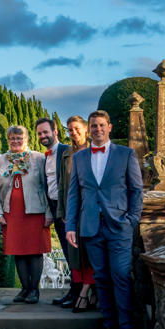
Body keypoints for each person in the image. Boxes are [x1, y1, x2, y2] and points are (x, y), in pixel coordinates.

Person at [65, 110, 145, 329]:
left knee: (120, 275)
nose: (97, 129)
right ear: (89, 129)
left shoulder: (126, 154)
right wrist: (71, 225)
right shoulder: (79, 158)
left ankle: (126, 327)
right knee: (101, 277)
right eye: (93, 126)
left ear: (109, 127)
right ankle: (109, 325)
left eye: (101, 125)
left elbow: (137, 190)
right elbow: (74, 194)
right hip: (90, 227)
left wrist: (132, 219)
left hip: (119, 225)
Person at [0, 125, 53, 303]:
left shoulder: (38, 158)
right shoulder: (2, 160)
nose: (16, 141)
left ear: (27, 140)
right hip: (12, 213)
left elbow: (47, 187)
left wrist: (50, 213)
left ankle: (34, 290)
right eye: (12, 138)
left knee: (35, 251)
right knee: (18, 251)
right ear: (8, 140)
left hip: (35, 212)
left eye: (20, 138)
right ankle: (25, 289)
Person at [59, 115, 96, 311]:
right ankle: (82, 291)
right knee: (75, 255)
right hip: (72, 210)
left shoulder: (95, 150)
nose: (74, 132)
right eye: (70, 129)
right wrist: (63, 211)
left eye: (76, 128)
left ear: (85, 129)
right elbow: (62, 185)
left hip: (91, 210)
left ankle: (87, 293)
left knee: (90, 252)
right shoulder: (67, 154)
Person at [36, 117, 73, 307]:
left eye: (45, 132)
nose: (43, 136)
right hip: (55, 210)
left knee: (73, 252)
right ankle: (74, 291)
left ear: (55, 131)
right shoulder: (44, 157)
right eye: (40, 133)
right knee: (67, 253)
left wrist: (68, 211)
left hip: (68, 210)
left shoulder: (67, 151)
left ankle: (79, 293)